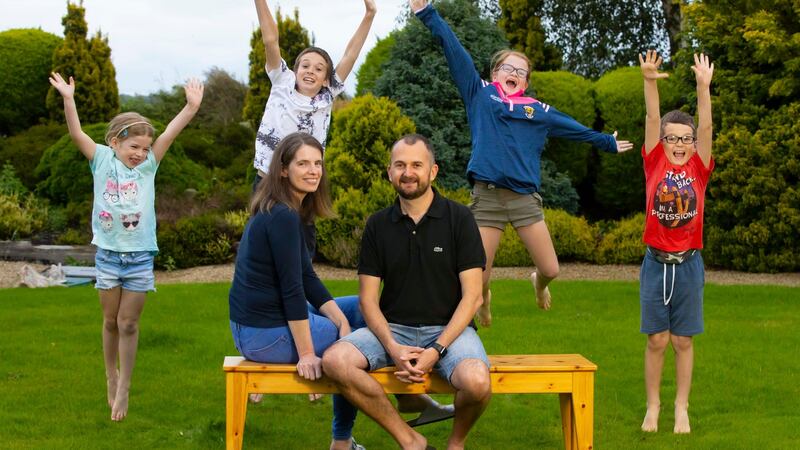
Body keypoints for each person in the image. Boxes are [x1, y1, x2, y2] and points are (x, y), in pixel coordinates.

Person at [410, 0, 634, 327]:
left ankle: (537, 283)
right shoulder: (479, 93)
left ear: (526, 82)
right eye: (507, 69)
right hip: (487, 199)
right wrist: (428, 14)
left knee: (551, 269)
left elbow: (575, 129)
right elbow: (454, 50)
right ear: (494, 73)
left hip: (524, 200)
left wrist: (607, 142)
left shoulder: (538, 110)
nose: (513, 74)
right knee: (477, 278)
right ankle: (484, 300)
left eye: (520, 72)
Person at [48, 73, 204, 421]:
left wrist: (190, 108)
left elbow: (168, 135)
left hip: (139, 258)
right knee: (110, 321)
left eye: (145, 148)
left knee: (129, 324)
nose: (140, 153)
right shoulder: (101, 160)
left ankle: (125, 387)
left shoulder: (149, 166)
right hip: (108, 255)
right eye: (134, 146)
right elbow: (76, 133)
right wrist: (69, 98)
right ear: (115, 143)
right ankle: (110, 374)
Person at [322, 134, 491, 450]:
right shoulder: (378, 225)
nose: (408, 172)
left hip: (449, 332)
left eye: (416, 164)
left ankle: (456, 444)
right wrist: (393, 347)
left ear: (433, 171)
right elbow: (368, 300)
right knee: (335, 361)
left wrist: (436, 350)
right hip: (393, 328)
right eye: (400, 165)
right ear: (389, 172)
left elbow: (474, 297)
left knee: (477, 382)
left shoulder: (459, 219)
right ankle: (410, 439)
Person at [229, 132, 367, 450]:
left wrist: (340, 323)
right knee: (359, 348)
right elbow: (292, 290)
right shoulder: (282, 216)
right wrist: (308, 354)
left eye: (317, 163)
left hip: (261, 328)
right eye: (302, 163)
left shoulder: (294, 213)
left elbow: (306, 278)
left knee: (363, 308)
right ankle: (342, 442)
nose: (313, 170)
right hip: (264, 334)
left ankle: (411, 399)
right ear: (282, 170)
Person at [637, 50, 715, 434]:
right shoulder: (655, 162)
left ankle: (680, 407)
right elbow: (653, 117)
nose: (681, 144)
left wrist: (704, 88)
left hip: (688, 264)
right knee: (657, 339)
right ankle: (653, 407)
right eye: (673, 139)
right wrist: (649, 80)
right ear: (663, 142)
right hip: (655, 263)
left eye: (686, 139)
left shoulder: (699, 168)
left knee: (682, 340)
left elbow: (706, 130)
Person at [251, 0, 376, 189]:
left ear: (326, 79)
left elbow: (350, 55)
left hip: (304, 184)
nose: (310, 71)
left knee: (300, 220)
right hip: (269, 181)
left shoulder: (327, 94)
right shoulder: (282, 81)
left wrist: (370, 14)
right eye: (305, 65)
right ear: (295, 70)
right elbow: (270, 40)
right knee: (265, 220)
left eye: (319, 69)